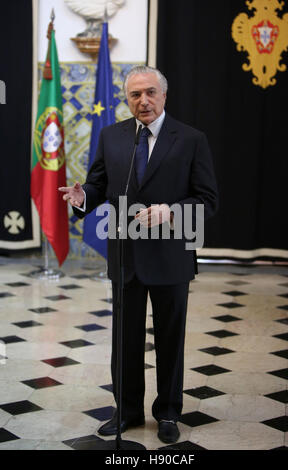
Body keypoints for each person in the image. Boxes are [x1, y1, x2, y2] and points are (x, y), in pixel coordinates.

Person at [59, 65, 218, 444]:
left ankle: (167, 413)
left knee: (169, 340)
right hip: (125, 256)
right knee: (125, 341)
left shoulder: (191, 139)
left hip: (171, 256)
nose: (142, 101)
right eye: (134, 95)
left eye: (149, 92)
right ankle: (126, 411)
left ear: (163, 95)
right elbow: (98, 184)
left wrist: (171, 212)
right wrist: (84, 197)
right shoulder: (112, 136)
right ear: (126, 99)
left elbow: (208, 200)